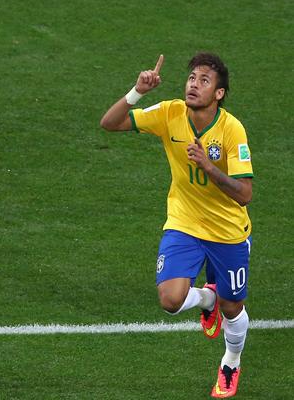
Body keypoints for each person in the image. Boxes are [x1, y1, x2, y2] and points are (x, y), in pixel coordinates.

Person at [100, 53, 253, 398]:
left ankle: (231, 359)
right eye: (191, 78)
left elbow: (245, 194)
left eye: (204, 80)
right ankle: (205, 300)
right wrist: (137, 92)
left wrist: (209, 167)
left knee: (233, 309)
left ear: (219, 93)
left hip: (228, 232)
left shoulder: (232, 129)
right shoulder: (170, 114)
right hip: (183, 223)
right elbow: (109, 123)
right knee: (170, 301)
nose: (193, 84)